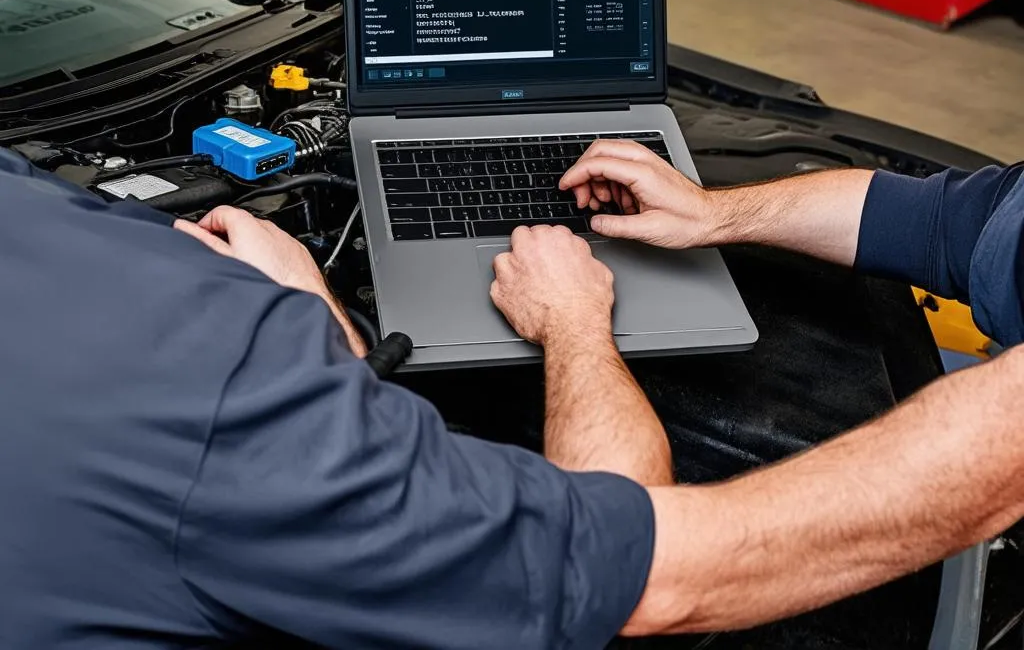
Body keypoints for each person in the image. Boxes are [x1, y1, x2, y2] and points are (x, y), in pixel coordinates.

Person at [2, 134, 1022, 648]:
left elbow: (648, 566)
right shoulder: (227, 375)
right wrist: (685, 237)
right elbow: (944, 220)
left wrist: (605, 295)